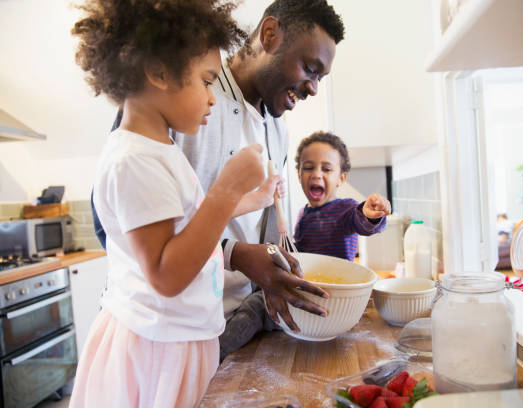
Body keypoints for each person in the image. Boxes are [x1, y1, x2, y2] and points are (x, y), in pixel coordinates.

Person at [70, 1, 327, 406]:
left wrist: (261, 220)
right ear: (270, 35)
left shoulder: (273, 128)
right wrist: (231, 217)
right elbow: (143, 250)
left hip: (209, 330)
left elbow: (200, 213)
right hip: (160, 339)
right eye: (311, 68)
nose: (314, 87)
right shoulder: (146, 141)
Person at [294, 131, 392, 261]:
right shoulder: (303, 213)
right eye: (309, 167)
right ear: (299, 175)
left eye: (327, 169)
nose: (316, 174)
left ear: (341, 178)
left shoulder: (345, 209)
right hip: (309, 280)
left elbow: (362, 222)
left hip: (341, 280)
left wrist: (370, 216)